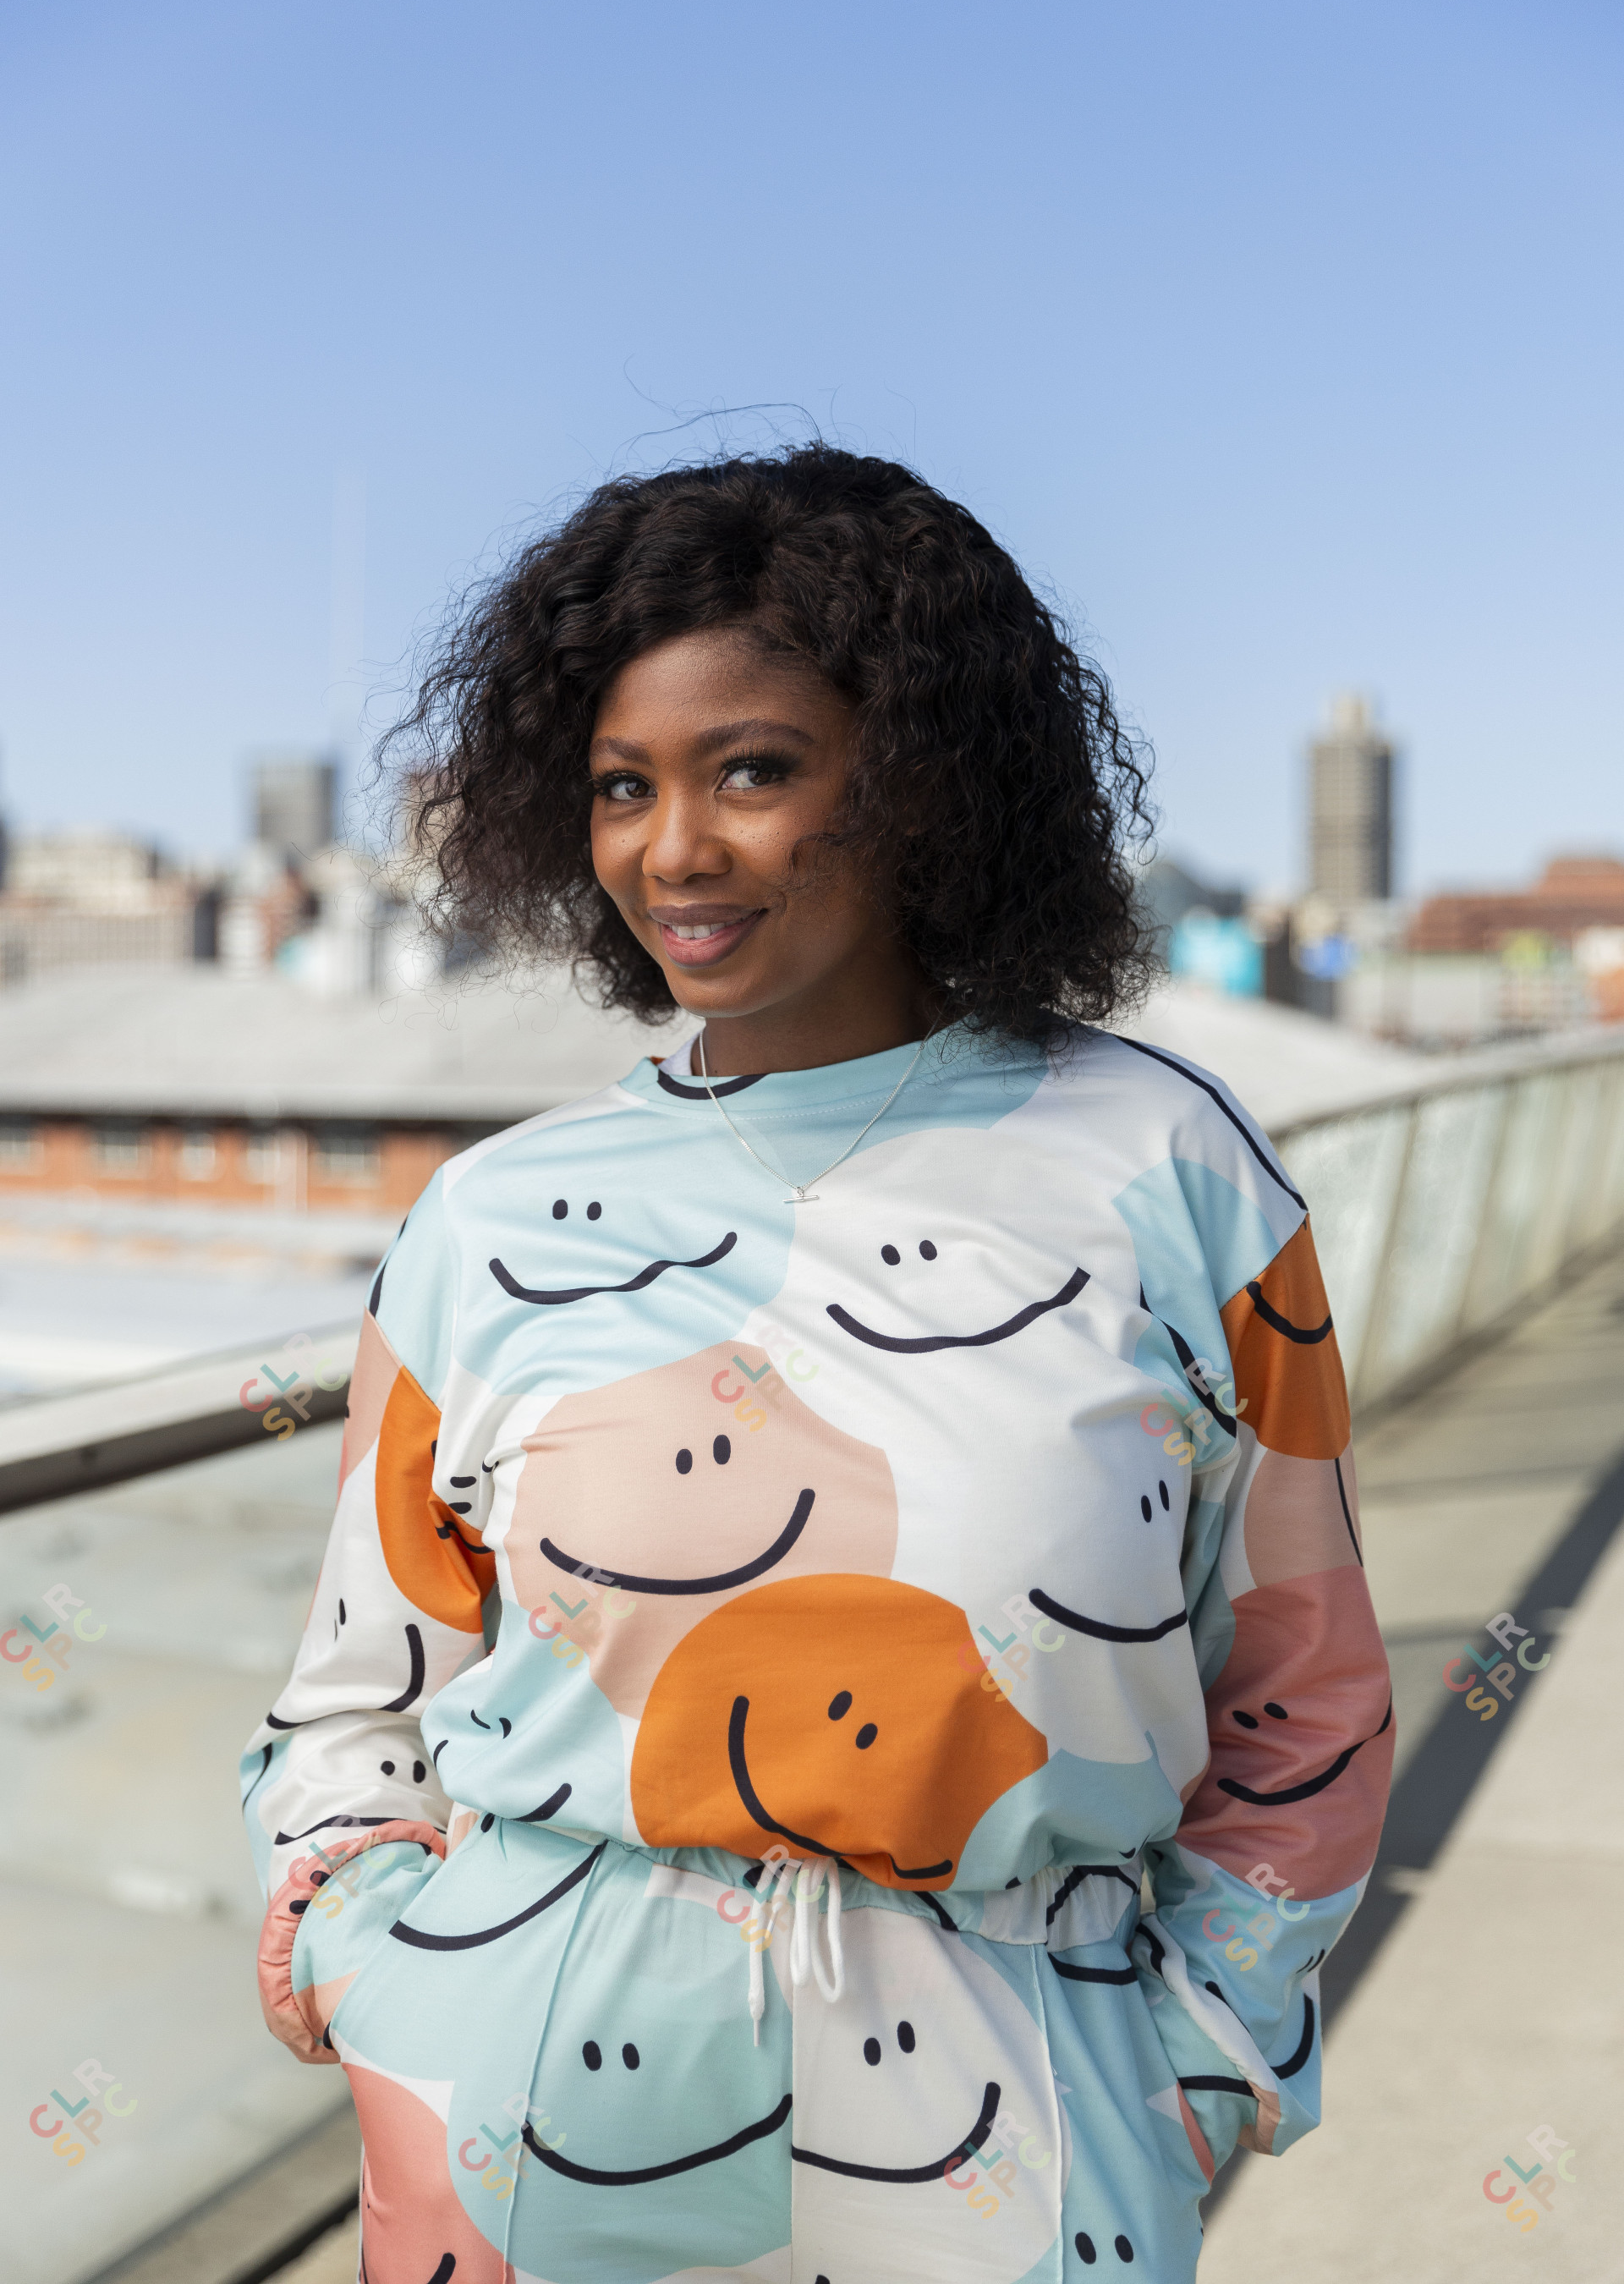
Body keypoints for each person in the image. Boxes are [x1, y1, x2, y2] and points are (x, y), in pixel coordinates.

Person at [244, 446, 1392, 2284]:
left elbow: (1303, 1688)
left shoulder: (1177, 1171)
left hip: (1024, 2109)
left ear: (927, 778)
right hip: (517, 2112)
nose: (673, 851)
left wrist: (1197, 2053)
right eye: (622, 785)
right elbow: (358, 1688)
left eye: (754, 770)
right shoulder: (487, 1218)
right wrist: (367, 1963)